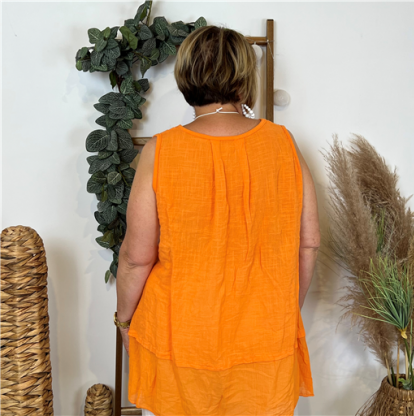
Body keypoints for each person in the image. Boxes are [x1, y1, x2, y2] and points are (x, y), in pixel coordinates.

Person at [115, 25, 320, 416]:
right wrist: (281, 312)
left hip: (179, 341)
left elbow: (136, 258)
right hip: (264, 340)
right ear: (244, 77)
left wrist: (124, 320)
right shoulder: (283, 143)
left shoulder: (161, 150)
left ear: (186, 76)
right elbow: (308, 243)